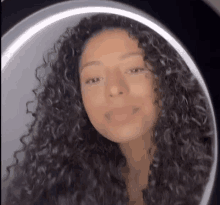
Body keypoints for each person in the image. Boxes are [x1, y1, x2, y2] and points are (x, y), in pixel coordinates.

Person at [3, 13, 214, 205]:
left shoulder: (209, 169)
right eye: (94, 79)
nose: (114, 88)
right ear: (77, 97)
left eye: (134, 69)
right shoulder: (60, 186)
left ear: (169, 78)